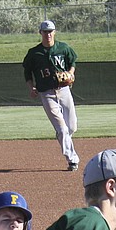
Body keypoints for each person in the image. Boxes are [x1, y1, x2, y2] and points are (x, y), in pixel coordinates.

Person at [22, 20, 80, 171]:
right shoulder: (34, 53)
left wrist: (71, 73)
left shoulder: (63, 48)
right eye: (45, 31)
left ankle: (63, 137)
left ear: (55, 32)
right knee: (62, 129)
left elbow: (73, 61)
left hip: (64, 90)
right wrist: (31, 87)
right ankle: (72, 160)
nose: (48, 34)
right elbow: (27, 73)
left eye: (50, 31)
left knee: (72, 127)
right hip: (46, 93)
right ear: (40, 33)